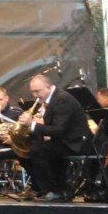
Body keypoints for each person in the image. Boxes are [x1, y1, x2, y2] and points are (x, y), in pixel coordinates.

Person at [18, 73, 90, 201]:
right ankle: (42, 188)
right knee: (25, 151)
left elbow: (59, 130)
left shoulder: (62, 99)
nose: (35, 95)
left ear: (48, 86)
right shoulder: (52, 99)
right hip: (63, 140)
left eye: (37, 91)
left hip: (74, 143)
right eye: (33, 92)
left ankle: (55, 190)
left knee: (38, 150)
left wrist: (32, 124)